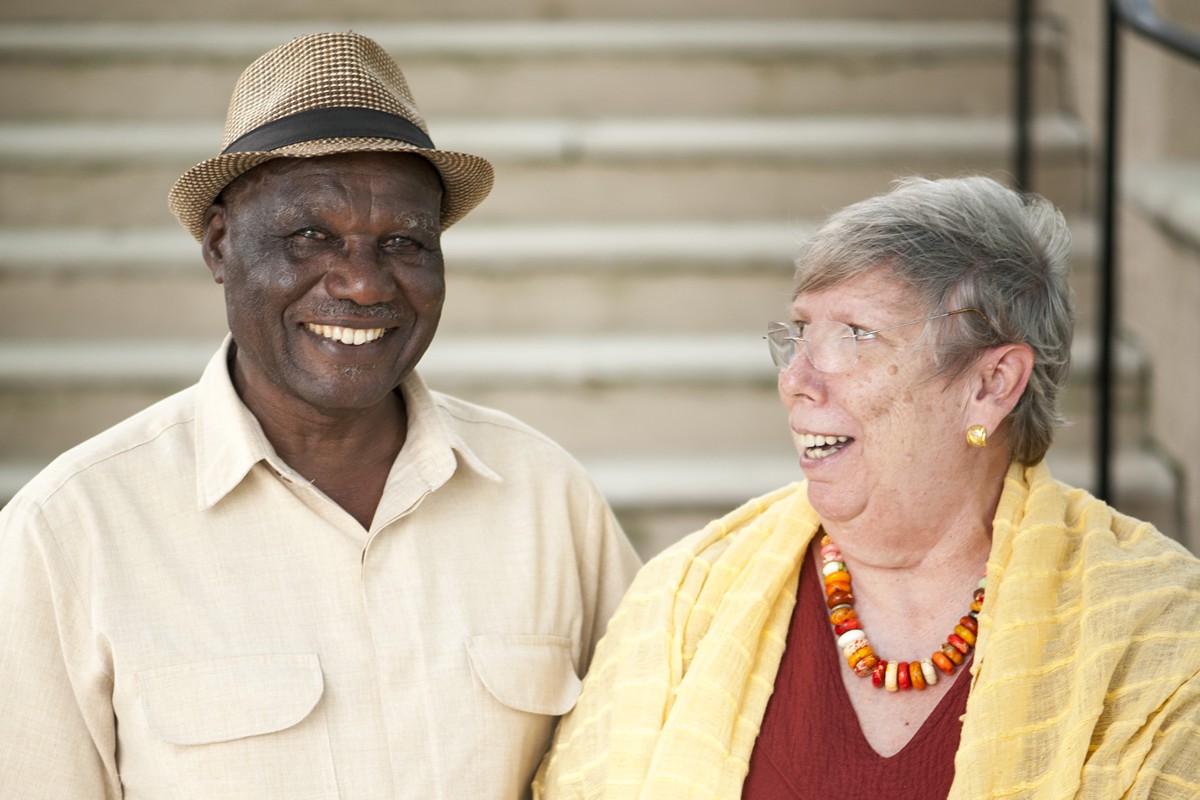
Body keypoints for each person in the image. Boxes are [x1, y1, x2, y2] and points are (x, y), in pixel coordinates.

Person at [0, 32, 640, 799]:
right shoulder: (73, 529)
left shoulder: (545, 495)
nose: (365, 285)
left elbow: (648, 758)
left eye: (404, 241)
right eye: (311, 236)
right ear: (219, 245)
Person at [533, 176, 1200, 799]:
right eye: (799, 333)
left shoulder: (1158, 636)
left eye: (855, 335)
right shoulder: (687, 597)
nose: (797, 378)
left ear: (991, 385)